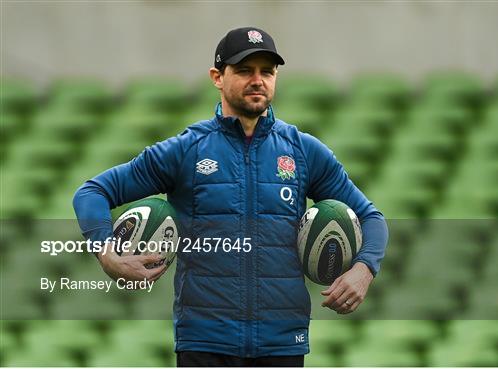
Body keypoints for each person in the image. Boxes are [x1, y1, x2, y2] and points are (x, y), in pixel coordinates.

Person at [73, 26, 388, 367]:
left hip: (282, 345)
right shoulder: (186, 150)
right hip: (205, 344)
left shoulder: (303, 151)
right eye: (244, 70)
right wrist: (106, 253)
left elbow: (371, 218)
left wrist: (364, 269)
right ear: (217, 77)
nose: (258, 80)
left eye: (267, 71)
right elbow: (92, 192)